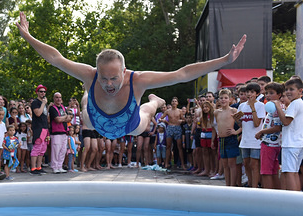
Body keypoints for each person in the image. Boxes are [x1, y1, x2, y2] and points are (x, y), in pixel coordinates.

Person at [17, 12, 246, 140]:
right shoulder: (90, 74)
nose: (108, 84)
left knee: (146, 111)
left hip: (130, 125)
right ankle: (88, 95)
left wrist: (224, 61)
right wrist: (27, 36)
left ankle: (154, 101)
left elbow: (182, 73)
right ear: (97, 71)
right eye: (103, 78)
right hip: (94, 122)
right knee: (86, 108)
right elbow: (56, 58)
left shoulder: (138, 79)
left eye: (114, 78)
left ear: (124, 72)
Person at [272, 77, 303, 191]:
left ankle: (292, 200)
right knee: (294, 172)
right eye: (287, 89)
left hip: (291, 143)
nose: (288, 92)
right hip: (298, 143)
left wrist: (278, 106)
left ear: (300, 91)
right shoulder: (299, 103)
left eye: (292, 89)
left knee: (290, 172)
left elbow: (285, 121)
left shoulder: (295, 103)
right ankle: (296, 198)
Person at [254, 82, 284, 189]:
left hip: (270, 144)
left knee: (266, 172)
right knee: (273, 171)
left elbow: (277, 127)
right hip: (275, 144)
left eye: (271, 93)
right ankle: (276, 193)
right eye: (266, 93)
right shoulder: (273, 107)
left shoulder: (276, 109)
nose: (268, 95)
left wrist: (261, 132)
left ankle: (268, 194)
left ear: (279, 95)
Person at [236, 82, 265, 188]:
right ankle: (249, 183)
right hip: (245, 139)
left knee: (254, 164)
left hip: (255, 139)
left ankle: (255, 186)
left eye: (252, 92)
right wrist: (237, 120)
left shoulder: (260, 105)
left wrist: (253, 107)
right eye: (247, 92)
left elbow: (257, 123)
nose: (249, 94)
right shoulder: (242, 105)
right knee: (246, 163)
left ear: (257, 93)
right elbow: (241, 124)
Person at [214, 89, 240, 186]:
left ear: (230, 99)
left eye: (226, 98)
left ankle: (232, 185)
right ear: (218, 100)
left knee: (232, 164)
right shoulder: (216, 112)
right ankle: (227, 185)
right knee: (224, 164)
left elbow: (243, 125)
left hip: (231, 139)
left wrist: (236, 132)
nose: (223, 100)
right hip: (222, 139)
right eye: (221, 98)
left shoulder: (234, 110)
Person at [158, 97, 186, 170]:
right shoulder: (167, 111)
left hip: (177, 128)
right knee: (168, 146)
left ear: (177, 103)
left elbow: (184, 120)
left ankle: (182, 164)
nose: (174, 102)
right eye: (173, 101)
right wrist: (163, 120)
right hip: (170, 127)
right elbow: (160, 118)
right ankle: (167, 163)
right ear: (171, 102)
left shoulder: (180, 111)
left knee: (179, 146)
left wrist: (181, 121)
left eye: (175, 101)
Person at [49, 92, 72, 174]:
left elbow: (69, 118)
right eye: (57, 97)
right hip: (56, 132)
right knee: (56, 150)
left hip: (64, 132)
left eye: (60, 97)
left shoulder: (63, 107)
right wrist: (65, 117)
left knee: (63, 150)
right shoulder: (52, 108)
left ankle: (59, 166)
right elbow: (57, 120)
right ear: (54, 98)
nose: (58, 99)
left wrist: (63, 118)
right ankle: (54, 167)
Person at [30, 85, 49, 175]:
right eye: (41, 91)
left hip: (45, 127)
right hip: (38, 128)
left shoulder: (43, 103)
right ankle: (33, 168)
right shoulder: (35, 102)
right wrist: (43, 104)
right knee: (37, 148)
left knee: (43, 148)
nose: (43, 93)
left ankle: (39, 167)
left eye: (44, 92)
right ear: (37, 92)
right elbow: (38, 113)